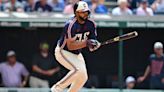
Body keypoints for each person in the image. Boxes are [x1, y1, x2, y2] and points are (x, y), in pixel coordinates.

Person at [51, 1, 101, 92]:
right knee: (77, 70)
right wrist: (87, 43)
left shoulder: (91, 24)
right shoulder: (71, 25)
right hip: (63, 51)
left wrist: (94, 45)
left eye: (86, 12)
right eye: (82, 12)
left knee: (83, 77)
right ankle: (56, 89)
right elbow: (70, 46)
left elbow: (91, 41)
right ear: (76, 13)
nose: (85, 14)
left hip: (77, 53)